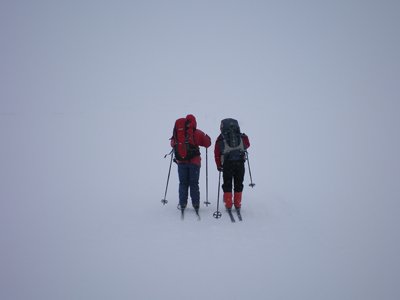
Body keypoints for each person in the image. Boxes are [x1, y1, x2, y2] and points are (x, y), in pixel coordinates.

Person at [170, 114, 211, 213]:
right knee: (194, 183)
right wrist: (207, 137)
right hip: (194, 163)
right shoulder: (196, 132)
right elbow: (207, 144)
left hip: (181, 162)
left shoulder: (178, 133)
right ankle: (196, 204)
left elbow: (172, 143)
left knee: (183, 183)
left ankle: (183, 203)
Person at [214, 118, 250, 212]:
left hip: (227, 164)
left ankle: (228, 204)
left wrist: (219, 165)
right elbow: (247, 145)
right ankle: (237, 204)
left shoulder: (221, 138)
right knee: (238, 183)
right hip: (240, 163)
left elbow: (217, 152)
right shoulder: (241, 136)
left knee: (227, 184)